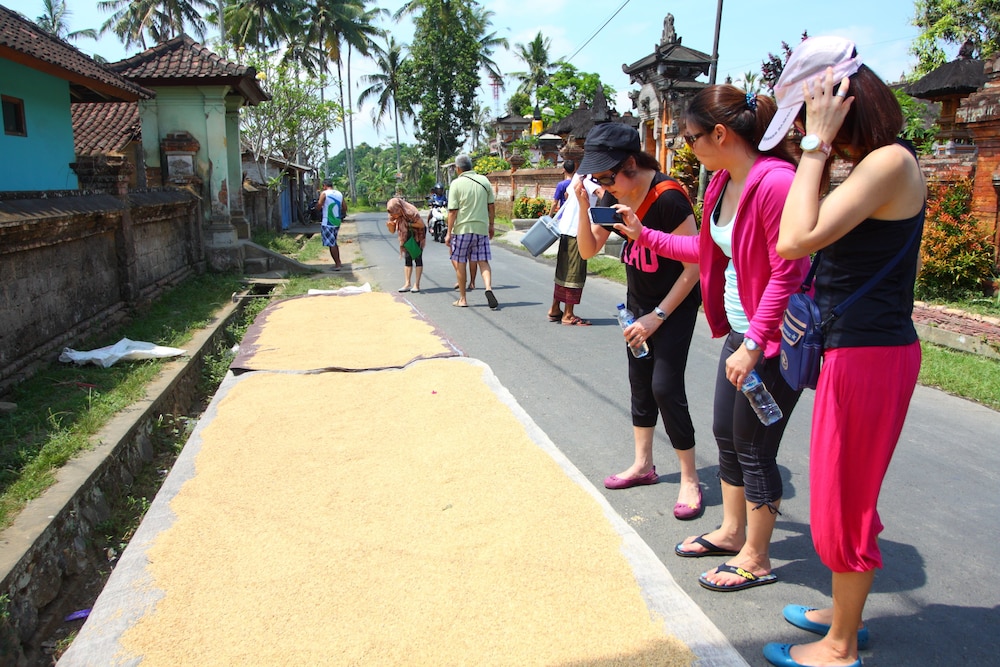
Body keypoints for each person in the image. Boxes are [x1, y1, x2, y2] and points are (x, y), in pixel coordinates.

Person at [759, 36, 925, 667]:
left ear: (838, 103)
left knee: (843, 499)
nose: (802, 129)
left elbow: (793, 239)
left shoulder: (889, 162)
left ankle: (839, 646)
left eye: (808, 113)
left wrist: (815, 145)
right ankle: (843, 613)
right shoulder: (879, 163)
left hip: (869, 355)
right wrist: (820, 149)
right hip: (860, 351)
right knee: (844, 488)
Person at [614, 86, 809, 592]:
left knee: (755, 445)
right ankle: (732, 530)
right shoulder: (724, 180)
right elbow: (704, 248)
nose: (687, 146)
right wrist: (644, 235)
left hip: (772, 338)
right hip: (743, 331)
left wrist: (755, 343)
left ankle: (756, 557)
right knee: (726, 432)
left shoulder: (775, 183)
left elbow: (789, 272)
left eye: (691, 137)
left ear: (720, 134)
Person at [571, 123, 702, 519]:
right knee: (641, 384)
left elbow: (694, 267)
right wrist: (582, 205)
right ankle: (643, 464)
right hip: (636, 306)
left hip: (672, 307)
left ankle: (690, 478)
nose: (604, 185)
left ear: (631, 163)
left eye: (608, 177)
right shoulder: (612, 196)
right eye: (597, 179)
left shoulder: (669, 199)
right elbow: (588, 250)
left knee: (665, 387)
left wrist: (657, 317)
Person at [547, 159, 599, 325]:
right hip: (578, 232)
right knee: (574, 273)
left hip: (565, 229)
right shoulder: (591, 180)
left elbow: (568, 195)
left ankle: (555, 309)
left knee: (563, 271)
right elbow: (603, 195)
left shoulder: (579, 175)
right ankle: (568, 314)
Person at [447, 154, 498, 309]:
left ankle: (463, 299)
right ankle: (488, 288)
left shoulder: (456, 184)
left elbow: (453, 211)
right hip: (481, 228)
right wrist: (491, 225)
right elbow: (491, 206)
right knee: (483, 261)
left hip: (462, 229)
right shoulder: (484, 181)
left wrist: (448, 233)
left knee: (461, 262)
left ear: (458, 169)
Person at [386, 198, 426, 293]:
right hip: (406, 235)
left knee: (417, 257)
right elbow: (392, 231)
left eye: (395, 213)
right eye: (392, 214)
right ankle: (407, 283)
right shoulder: (392, 213)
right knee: (407, 258)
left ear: (399, 208)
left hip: (418, 234)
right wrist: (390, 226)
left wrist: (406, 224)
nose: (394, 215)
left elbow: (421, 225)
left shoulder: (410, 212)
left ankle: (417, 284)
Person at [316, 179, 346, 271]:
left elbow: (319, 206)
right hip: (337, 221)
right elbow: (345, 207)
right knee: (334, 242)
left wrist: (317, 208)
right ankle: (339, 262)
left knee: (331, 244)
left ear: (324, 186)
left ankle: (337, 265)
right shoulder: (339, 194)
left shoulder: (324, 193)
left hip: (327, 222)